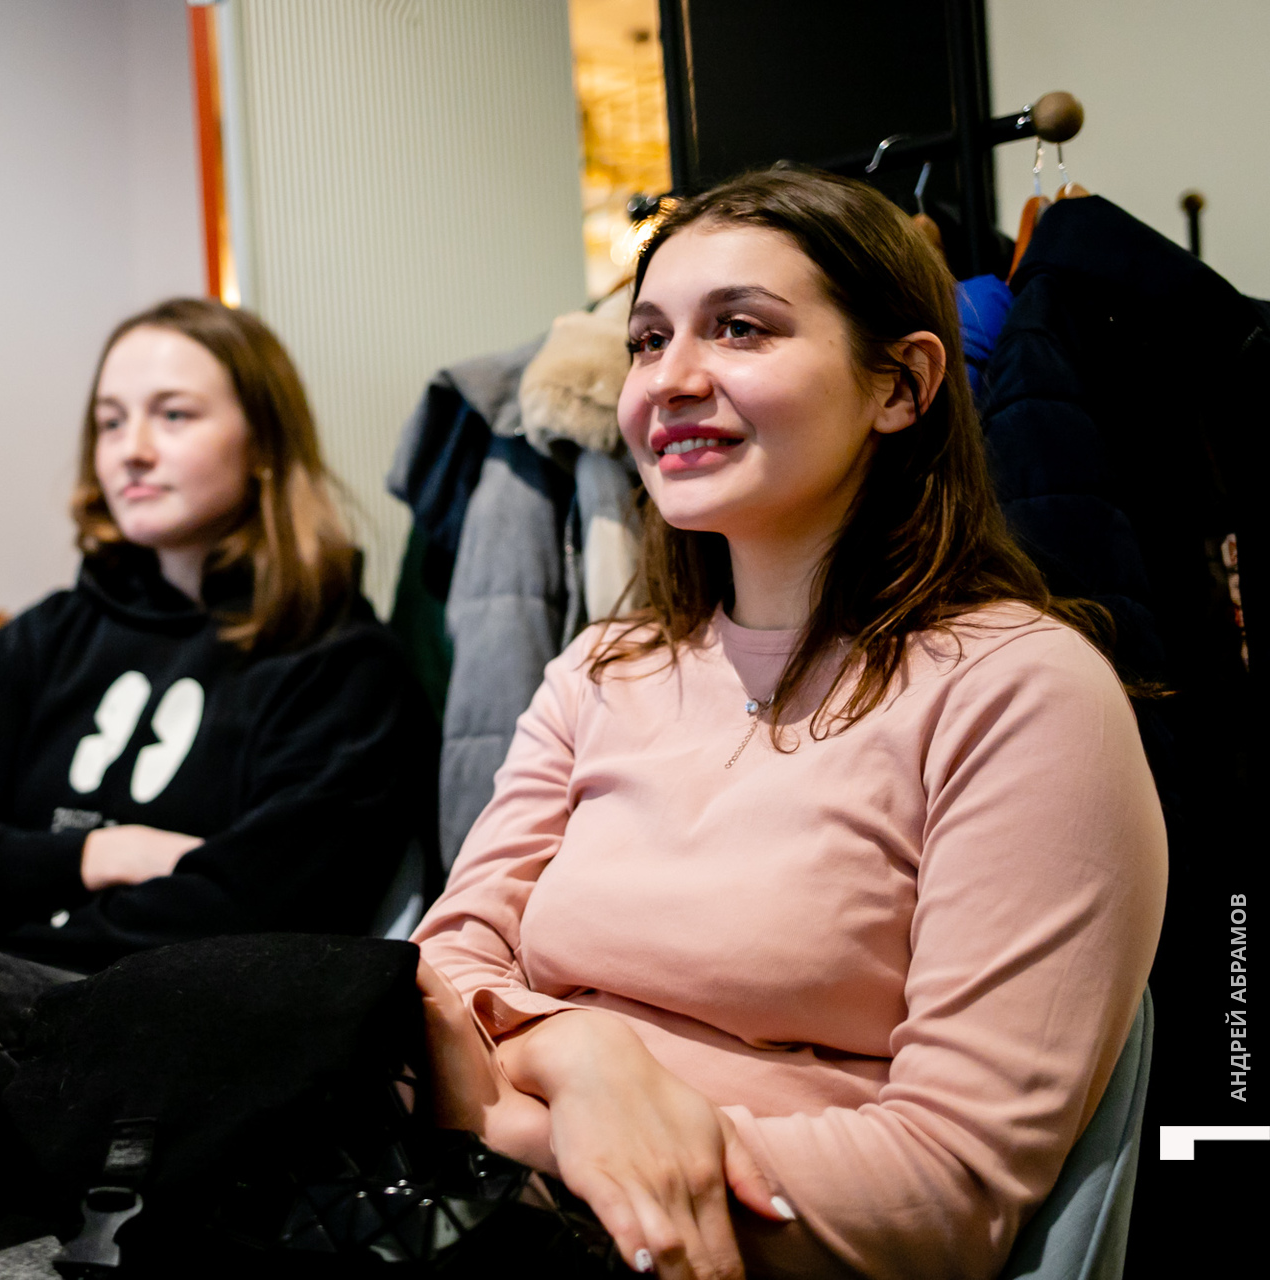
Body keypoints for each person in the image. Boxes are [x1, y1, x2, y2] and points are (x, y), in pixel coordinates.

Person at [413, 169, 1167, 1280]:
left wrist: (548, 1137)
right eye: (648, 338)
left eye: (740, 329)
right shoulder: (598, 671)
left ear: (902, 385)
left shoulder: (1021, 694)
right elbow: (437, 974)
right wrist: (581, 1054)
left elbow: (948, 1186)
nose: (670, 379)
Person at [0, 297, 437, 977]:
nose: (131, 451)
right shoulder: (43, 638)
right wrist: (99, 855)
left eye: (174, 415)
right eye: (110, 422)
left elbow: (249, 917)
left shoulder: (340, 666)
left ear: (263, 443)